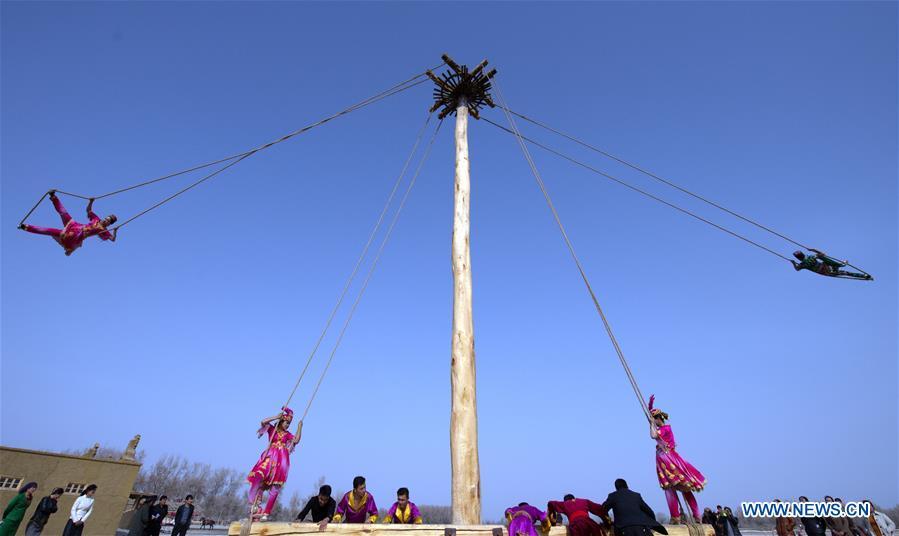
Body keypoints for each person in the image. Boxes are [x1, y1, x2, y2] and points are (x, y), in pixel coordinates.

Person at [648, 395, 706, 524]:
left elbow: (653, 435)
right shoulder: (658, 428)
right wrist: (650, 406)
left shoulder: (665, 429)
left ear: (658, 419)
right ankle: (675, 516)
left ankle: (697, 515)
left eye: (654, 419)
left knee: (685, 487)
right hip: (662, 461)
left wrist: (652, 423)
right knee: (669, 488)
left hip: (670, 460)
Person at [20, 192, 117, 256]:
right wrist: (91, 202)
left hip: (76, 236)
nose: (105, 220)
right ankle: (53, 197)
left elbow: (112, 239)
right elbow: (89, 210)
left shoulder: (104, 230)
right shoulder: (96, 219)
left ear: (109, 224)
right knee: (64, 213)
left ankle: (26, 227)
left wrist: (115, 231)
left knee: (49, 231)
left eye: (108, 221)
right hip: (75, 225)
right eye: (106, 218)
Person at [247, 407, 302, 520]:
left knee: (276, 486)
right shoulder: (272, 430)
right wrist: (276, 417)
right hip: (269, 457)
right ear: (281, 421)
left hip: (281, 461)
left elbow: (296, 440)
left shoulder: (287, 435)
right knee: (259, 475)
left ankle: (266, 512)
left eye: (289, 424)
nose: (287, 425)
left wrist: (300, 427)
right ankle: (254, 503)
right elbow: (263, 422)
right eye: (286, 422)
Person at [601, 479, 667, 536]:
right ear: (627, 486)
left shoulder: (613, 496)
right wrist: (652, 524)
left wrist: (608, 524)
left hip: (623, 529)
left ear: (616, 488)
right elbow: (649, 511)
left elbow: (603, 509)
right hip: (642, 528)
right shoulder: (636, 495)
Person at [547, 494, 612, 536]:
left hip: (576, 526)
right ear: (573, 498)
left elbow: (550, 503)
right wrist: (607, 524)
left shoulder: (564, 504)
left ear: (565, 500)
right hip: (589, 523)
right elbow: (600, 509)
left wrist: (552, 521)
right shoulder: (585, 501)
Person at [791, 250, 871, 280]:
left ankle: (864, 276)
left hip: (827, 272)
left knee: (846, 273)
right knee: (823, 258)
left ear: (798, 258)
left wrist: (793, 263)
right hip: (828, 269)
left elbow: (797, 269)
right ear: (803, 254)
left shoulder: (802, 264)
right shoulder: (811, 257)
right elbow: (822, 254)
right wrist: (812, 249)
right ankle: (840, 264)